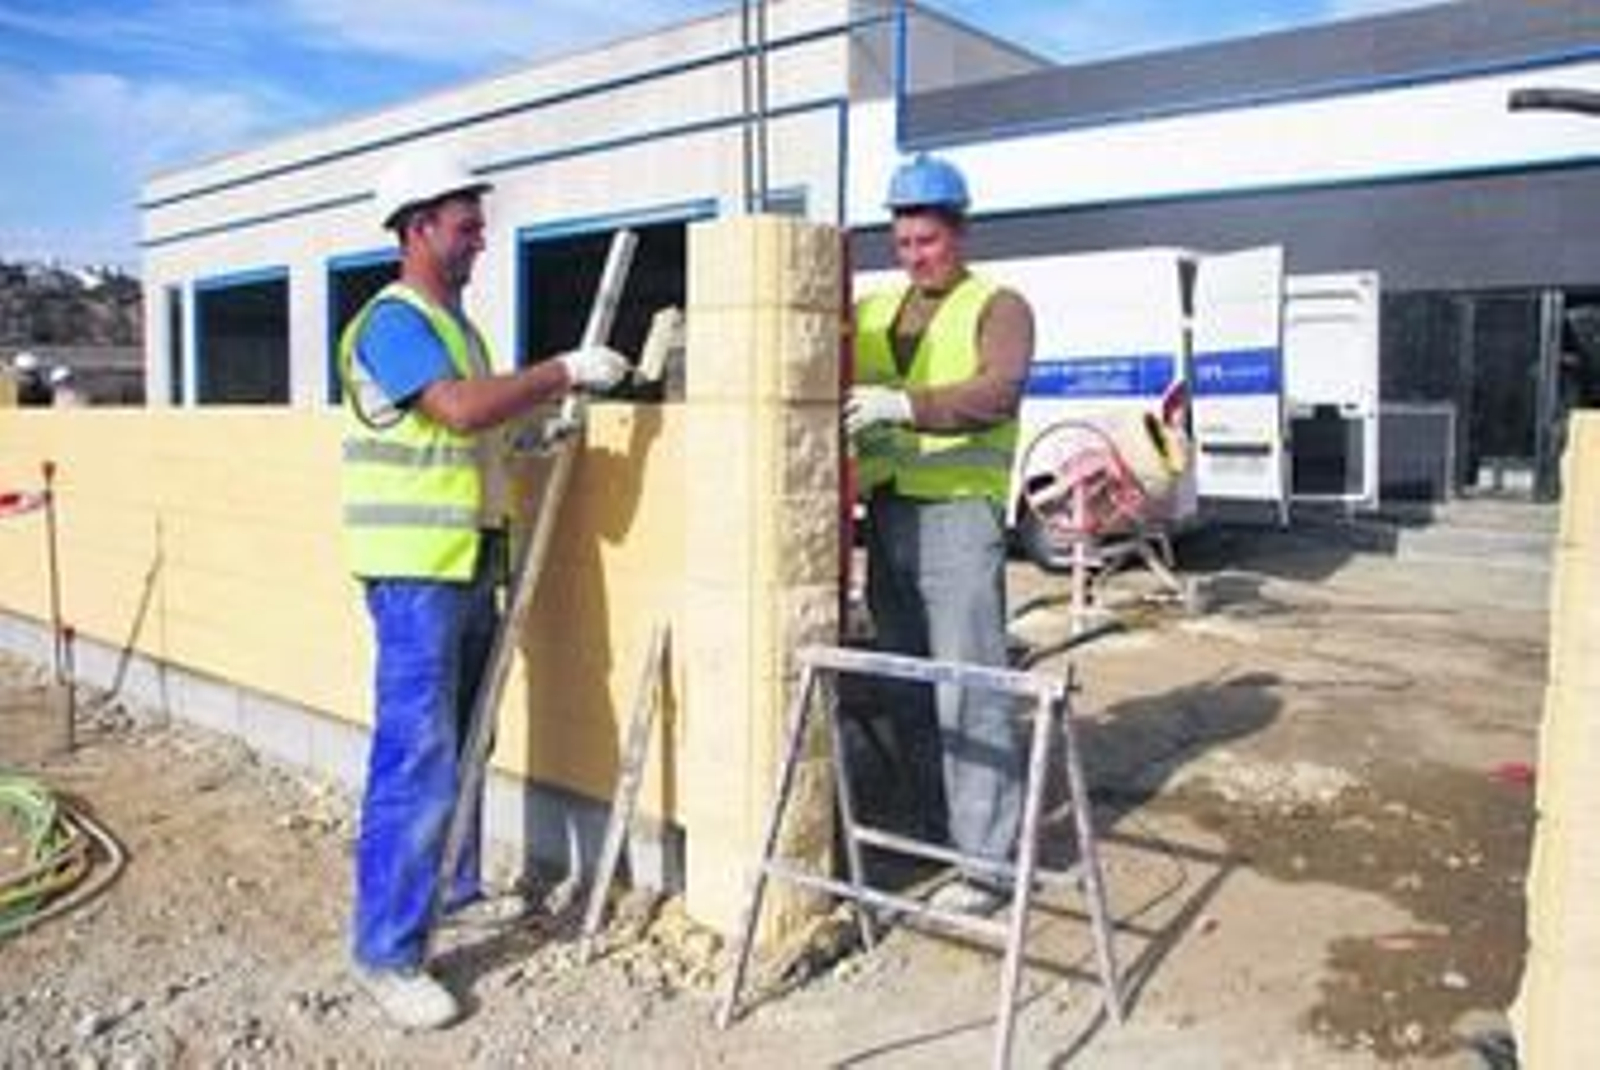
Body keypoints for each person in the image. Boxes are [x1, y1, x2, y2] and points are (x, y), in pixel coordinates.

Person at [339, 150, 629, 1030]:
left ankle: (447, 890)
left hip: (470, 565)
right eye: (465, 225)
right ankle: (387, 954)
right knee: (417, 757)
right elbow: (460, 412)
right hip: (417, 576)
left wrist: (537, 435)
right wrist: (562, 372)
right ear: (417, 228)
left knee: (466, 743)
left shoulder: (459, 331)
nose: (480, 239)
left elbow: (477, 438)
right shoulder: (391, 322)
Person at [846, 153, 1035, 915]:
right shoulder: (869, 313)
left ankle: (986, 865)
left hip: (959, 515)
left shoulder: (999, 305)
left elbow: (999, 390)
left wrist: (904, 408)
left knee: (971, 689)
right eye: (903, 243)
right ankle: (932, 826)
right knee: (908, 680)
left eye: (927, 240)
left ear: (959, 233)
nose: (915, 255)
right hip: (887, 513)